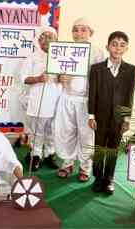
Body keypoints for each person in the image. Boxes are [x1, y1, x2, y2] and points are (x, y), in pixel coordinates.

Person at [55, 17, 103, 182]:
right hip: (67, 98)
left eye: (83, 30)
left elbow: (101, 78)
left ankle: (85, 167)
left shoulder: (97, 52)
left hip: (86, 101)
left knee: (86, 134)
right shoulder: (65, 49)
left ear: (91, 32)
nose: (79, 33)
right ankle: (67, 163)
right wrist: (60, 77)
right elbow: (57, 73)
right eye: (76, 30)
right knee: (66, 131)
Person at [88, 31, 135, 195]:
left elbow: (129, 96)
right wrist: (91, 116)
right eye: (114, 44)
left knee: (114, 148)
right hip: (100, 117)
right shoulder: (96, 69)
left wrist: (127, 119)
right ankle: (98, 178)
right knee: (99, 147)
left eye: (122, 45)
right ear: (107, 46)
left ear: (127, 48)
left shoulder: (130, 70)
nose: (118, 48)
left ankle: (109, 178)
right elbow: (92, 93)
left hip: (118, 118)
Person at [20, 27, 61, 171]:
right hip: (39, 100)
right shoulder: (32, 57)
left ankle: (50, 153)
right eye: (44, 36)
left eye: (51, 36)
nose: (48, 39)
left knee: (52, 129)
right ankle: (35, 154)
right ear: (39, 39)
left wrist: (63, 77)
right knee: (37, 130)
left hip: (56, 99)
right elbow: (24, 78)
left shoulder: (60, 57)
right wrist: (38, 78)